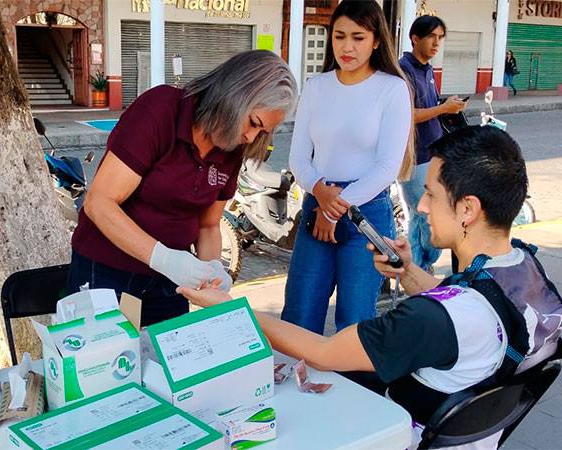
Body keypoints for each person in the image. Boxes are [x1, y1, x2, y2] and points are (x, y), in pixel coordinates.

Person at [181, 125, 562, 449]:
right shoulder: (524, 270)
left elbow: (323, 352)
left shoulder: (430, 321)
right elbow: (473, 304)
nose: (423, 207)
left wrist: (230, 308)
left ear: (468, 209)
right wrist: (407, 272)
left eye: (430, 194)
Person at [68, 50, 297, 326]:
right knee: (103, 365)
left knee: (171, 362)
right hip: (106, 270)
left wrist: (213, 271)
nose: (250, 137)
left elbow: (209, 226)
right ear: (234, 95)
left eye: (261, 133)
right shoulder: (160, 112)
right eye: (253, 123)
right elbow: (99, 203)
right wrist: (164, 258)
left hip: (168, 284)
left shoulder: (233, 149)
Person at [283, 0, 414, 334]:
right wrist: (322, 197)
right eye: (339, 36)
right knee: (300, 309)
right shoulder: (316, 86)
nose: (347, 46)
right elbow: (298, 159)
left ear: (376, 40)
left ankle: (354, 386)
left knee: (356, 319)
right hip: (317, 206)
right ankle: (295, 381)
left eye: (358, 37)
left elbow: (387, 166)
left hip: (367, 214)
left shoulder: (392, 89)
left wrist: (335, 208)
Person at [398, 15, 467, 273]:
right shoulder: (405, 69)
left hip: (433, 153)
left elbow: (430, 107)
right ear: (415, 38)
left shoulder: (427, 69)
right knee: (426, 215)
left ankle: (419, 268)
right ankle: (416, 269)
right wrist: (442, 108)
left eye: (440, 37)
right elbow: (408, 114)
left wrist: (449, 108)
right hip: (414, 158)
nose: (437, 43)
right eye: (431, 37)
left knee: (426, 216)